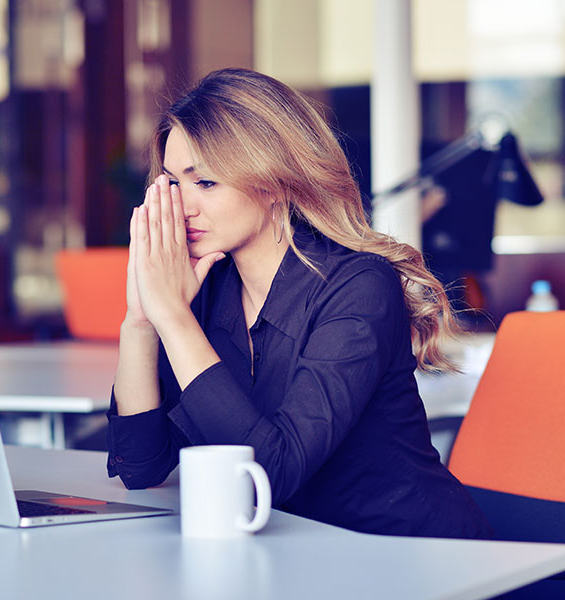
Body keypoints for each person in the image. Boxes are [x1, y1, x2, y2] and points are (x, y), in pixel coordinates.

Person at [106, 68, 493, 539]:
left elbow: (268, 474)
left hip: (408, 556)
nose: (183, 207)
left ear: (272, 183)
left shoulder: (359, 286)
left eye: (205, 182)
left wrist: (173, 318)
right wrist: (142, 319)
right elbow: (140, 465)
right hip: (294, 556)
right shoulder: (207, 286)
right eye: (173, 183)